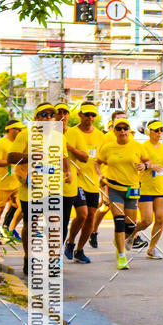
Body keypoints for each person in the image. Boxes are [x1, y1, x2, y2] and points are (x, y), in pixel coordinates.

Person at [7, 103, 69, 276]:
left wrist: (68, 173)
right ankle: (29, 258)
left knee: (54, 225)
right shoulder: (26, 135)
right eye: (44, 114)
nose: (49, 118)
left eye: (52, 115)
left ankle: (53, 261)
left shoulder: (59, 137)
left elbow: (63, 158)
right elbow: (11, 157)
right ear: (36, 118)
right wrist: (29, 156)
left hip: (53, 187)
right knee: (31, 226)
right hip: (30, 187)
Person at [96, 117, 148, 270]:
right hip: (113, 187)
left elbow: (148, 161)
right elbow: (97, 162)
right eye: (119, 128)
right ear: (114, 131)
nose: (122, 131)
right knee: (119, 220)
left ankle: (120, 240)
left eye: (125, 128)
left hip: (132, 188)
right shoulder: (108, 147)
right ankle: (121, 256)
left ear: (129, 130)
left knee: (130, 225)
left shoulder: (137, 146)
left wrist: (144, 165)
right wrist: (100, 176)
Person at [63, 102, 105, 263]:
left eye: (93, 115)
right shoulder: (70, 133)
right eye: (87, 114)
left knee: (91, 217)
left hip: (93, 181)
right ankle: (70, 242)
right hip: (76, 180)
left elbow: (103, 159)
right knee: (82, 214)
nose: (90, 118)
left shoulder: (100, 136)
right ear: (80, 115)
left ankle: (79, 249)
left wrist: (103, 178)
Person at [90, 109, 127, 249]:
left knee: (105, 207)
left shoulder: (129, 136)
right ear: (112, 122)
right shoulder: (107, 138)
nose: (122, 123)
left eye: (124, 119)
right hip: (108, 177)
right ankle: (131, 237)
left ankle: (93, 231)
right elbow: (98, 160)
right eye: (119, 120)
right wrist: (101, 176)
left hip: (126, 179)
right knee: (114, 207)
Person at [134, 119, 163, 259]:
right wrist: (150, 166)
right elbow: (137, 164)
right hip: (145, 187)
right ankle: (129, 234)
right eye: (156, 130)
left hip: (160, 187)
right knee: (146, 220)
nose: (159, 133)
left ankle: (152, 248)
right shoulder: (143, 147)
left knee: (160, 219)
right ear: (149, 132)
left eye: (161, 130)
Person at [0, 119, 22, 232]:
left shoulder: (17, 143)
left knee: (22, 207)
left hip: (16, 182)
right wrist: (10, 161)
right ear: (10, 130)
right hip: (2, 182)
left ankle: (9, 229)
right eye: (18, 129)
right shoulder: (1, 143)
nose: (20, 132)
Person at [55, 103, 81, 245]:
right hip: (48, 184)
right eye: (59, 112)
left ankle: (58, 253)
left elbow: (85, 157)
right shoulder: (45, 133)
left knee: (64, 221)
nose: (62, 115)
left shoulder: (74, 133)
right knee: (51, 220)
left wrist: (71, 148)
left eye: (65, 113)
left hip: (68, 184)